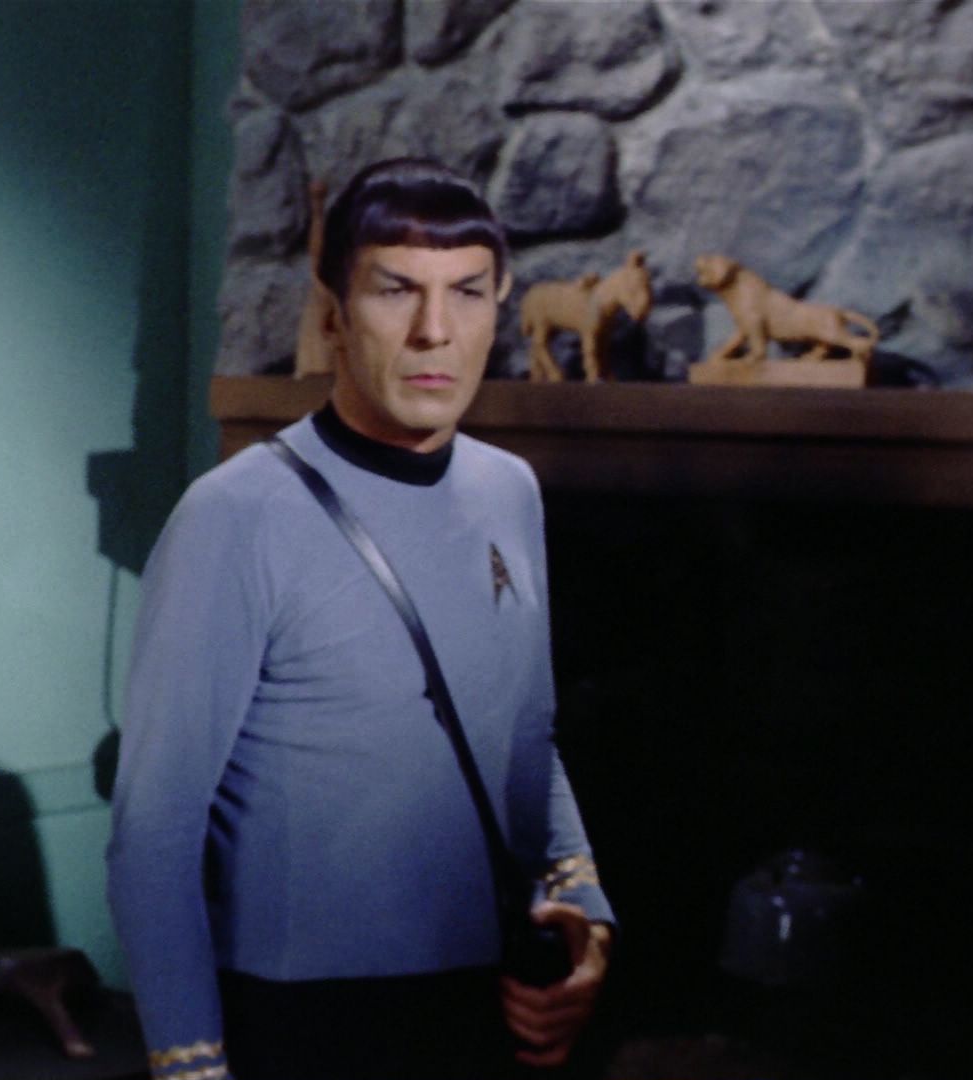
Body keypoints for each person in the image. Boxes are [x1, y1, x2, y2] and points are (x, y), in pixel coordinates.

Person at [107, 158, 614, 1080]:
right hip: (307, 1022)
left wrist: (588, 914)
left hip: (487, 1002)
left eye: (466, 292)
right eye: (396, 291)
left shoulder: (509, 489)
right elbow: (154, 832)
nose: (434, 330)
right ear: (335, 312)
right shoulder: (235, 515)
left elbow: (527, 738)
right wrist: (191, 1067)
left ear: (500, 303)